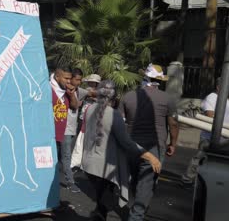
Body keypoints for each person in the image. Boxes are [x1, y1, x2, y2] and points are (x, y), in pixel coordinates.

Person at [82, 80, 162, 221]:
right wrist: (150, 156)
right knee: (105, 203)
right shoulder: (113, 114)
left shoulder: (89, 109)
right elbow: (127, 143)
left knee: (102, 203)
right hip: (104, 169)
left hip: (88, 165)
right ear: (114, 98)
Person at [119, 63, 179, 221]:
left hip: (131, 146)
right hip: (154, 147)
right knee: (146, 183)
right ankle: (136, 215)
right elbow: (173, 124)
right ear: (160, 81)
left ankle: (136, 207)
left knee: (135, 178)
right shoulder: (167, 98)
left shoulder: (128, 96)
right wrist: (173, 143)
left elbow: (120, 123)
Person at [181, 77, 229, 185]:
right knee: (199, 158)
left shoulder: (225, 99)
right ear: (219, 87)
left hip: (225, 137)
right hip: (210, 137)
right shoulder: (211, 98)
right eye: (226, 87)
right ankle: (187, 180)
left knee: (217, 161)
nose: (228, 90)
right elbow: (210, 116)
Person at [50, 66, 78, 188]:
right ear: (57, 77)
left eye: (70, 78)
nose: (68, 81)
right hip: (48, 134)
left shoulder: (67, 91)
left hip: (61, 132)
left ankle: (57, 190)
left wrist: (71, 95)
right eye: (66, 78)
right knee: (49, 164)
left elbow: (75, 106)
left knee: (60, 160)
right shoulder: (47, 89)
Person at [61, 68, 86, 193]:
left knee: (64, 155)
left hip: (71, 128)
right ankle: (70, 182)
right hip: (63, 127)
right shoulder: (65, 90)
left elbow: (91, 93)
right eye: (77, 79)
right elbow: (74, 105)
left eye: (80, 80)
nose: (79, 82)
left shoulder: (78, 90)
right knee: (66, 156)